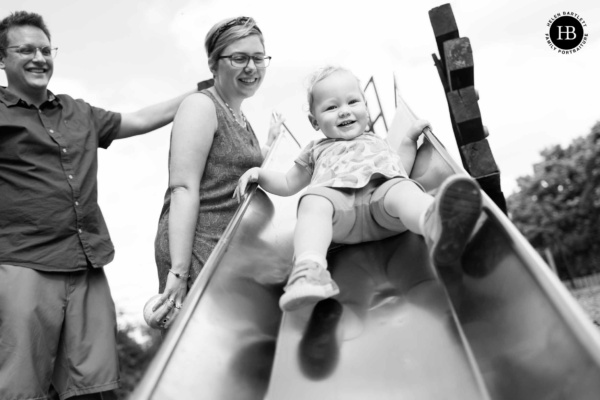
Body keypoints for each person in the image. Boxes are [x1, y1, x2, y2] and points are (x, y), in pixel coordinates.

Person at [0, 10, 198, 400]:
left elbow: (140, 118)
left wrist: (207, 89)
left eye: (45, 49)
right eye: (25, 50)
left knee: (93, 387)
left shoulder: (79, 112)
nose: (39, 58)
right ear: (2, 58)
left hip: (87, 265)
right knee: (18, 388)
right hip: (22, 264)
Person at [235, 66, 483, 312]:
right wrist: (260, 174)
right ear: (314, 122)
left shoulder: (376, 141)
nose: (344, 112)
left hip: (382, 207)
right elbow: (289, 183)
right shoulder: (315, 149)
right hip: (342, 217)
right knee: (312, 201)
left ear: (365, 106)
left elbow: (398, 167)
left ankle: (438, 224)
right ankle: (310, 269)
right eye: (331, 107)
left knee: (402, 189)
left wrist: (408, 141)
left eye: (352, 102)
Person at [152, 16, 280, 329]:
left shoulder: (241, 117)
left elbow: (232, 171)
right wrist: (179, 271)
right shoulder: (200, 106)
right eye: (239, 58)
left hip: (229, 249)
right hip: (197, 248)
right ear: (213, 64)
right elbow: (183, 187)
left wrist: (270, 146)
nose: (251, 67)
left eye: (258, 57)